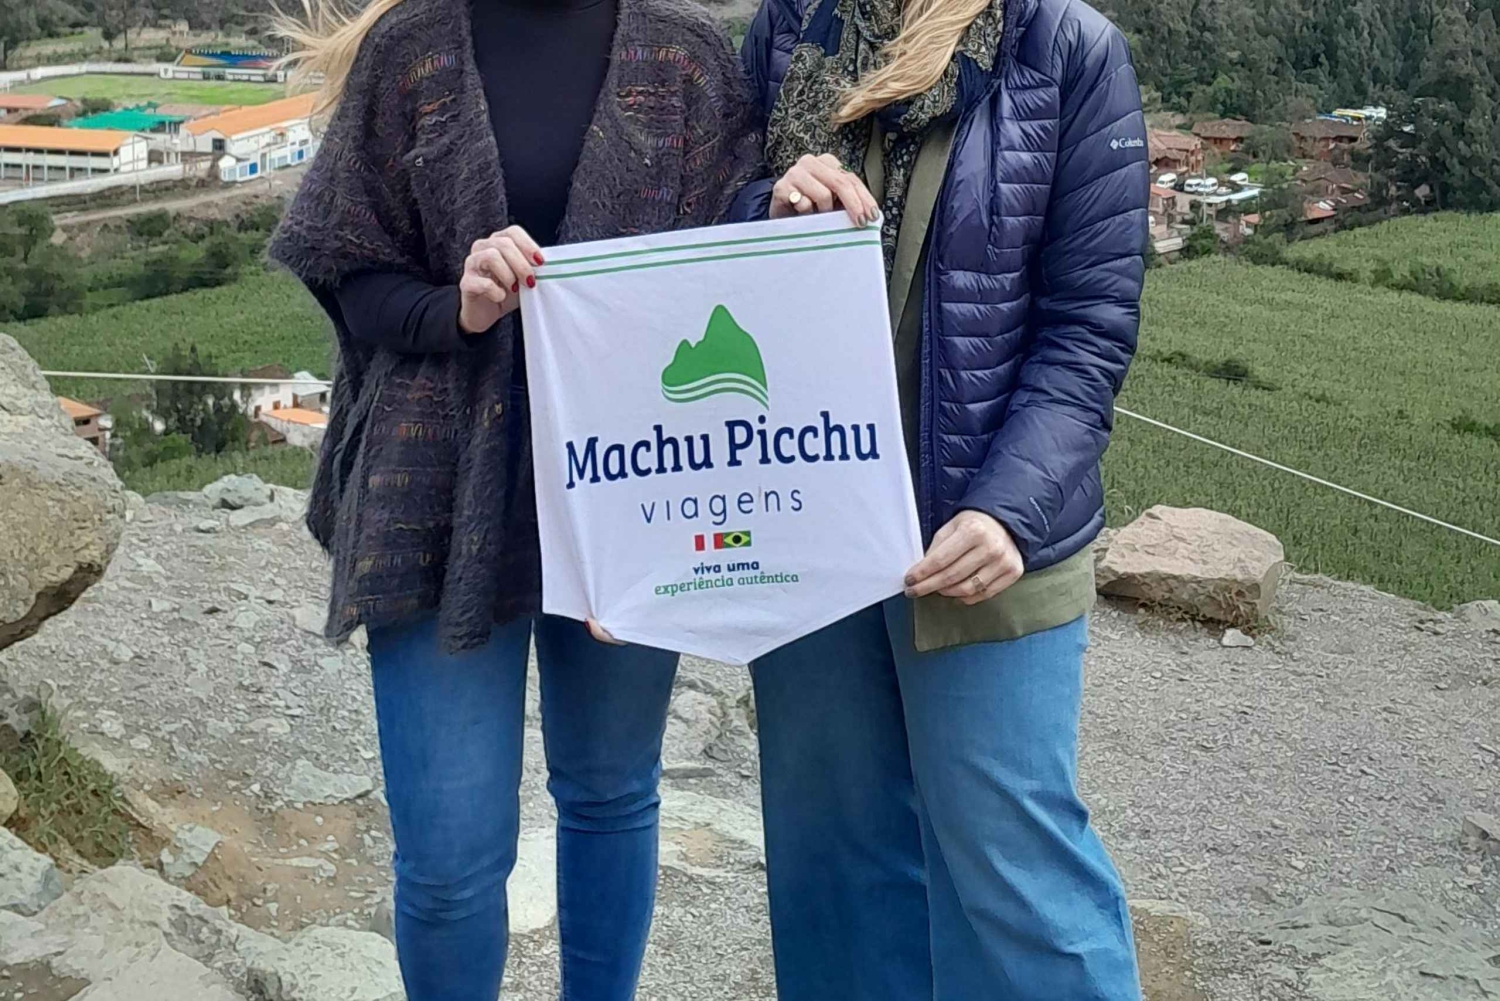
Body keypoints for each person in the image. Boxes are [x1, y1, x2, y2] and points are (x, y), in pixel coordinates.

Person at [267, 0, 764, 995]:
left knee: (612, 794)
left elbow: (738, 263)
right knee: (448, 857)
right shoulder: (411, 49)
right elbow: (349, 265)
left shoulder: (688, 57)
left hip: (635, 484)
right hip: (435, 487)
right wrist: (456, 305)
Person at [735, 0, 1150, 996]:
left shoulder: (1064, 49)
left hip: (984, 543)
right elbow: (713, 223)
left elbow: (1088, 326)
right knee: (834, 858)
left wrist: (1009, 508)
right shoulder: (791, 28)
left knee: (1013, 874)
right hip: (813, 524)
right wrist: (766, 208)